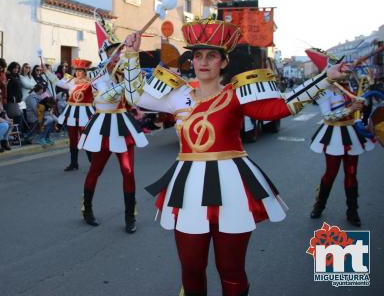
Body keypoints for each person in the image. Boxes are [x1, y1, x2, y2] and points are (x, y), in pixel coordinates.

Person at [121, 19, 351, 296]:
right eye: (197, 56)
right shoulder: (177, 94)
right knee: (191, 267)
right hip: (188, 187)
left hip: (232, 187)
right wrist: (131, 55)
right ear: (191, 61)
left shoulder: (237, 94)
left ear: (224, 62)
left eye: (212, 56)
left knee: (230, 269)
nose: (203, 62)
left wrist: (325, 78)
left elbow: (280, 106)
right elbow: (135, 97)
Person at [77, 19, 148, 234]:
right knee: (95, 170)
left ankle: (130, 216)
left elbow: (135, 95)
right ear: (105, 54)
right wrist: (122, 85)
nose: (116, 55)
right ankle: (86, 208)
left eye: (119, 51)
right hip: (102, 124)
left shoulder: (124, 71)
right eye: (112, 51)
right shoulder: (96, 73)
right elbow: (102, 99)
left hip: (122, 123)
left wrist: (131, 69)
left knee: (128, 171)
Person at [308, 77, 375, 227]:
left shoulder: (352, 85)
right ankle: (319, 205)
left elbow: (364, 108)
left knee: (351, 173)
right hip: (334, 135)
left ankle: (352, 211)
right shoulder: (323, 91)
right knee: (330, 173)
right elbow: (327, 116)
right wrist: (350, 109)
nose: (345, 72)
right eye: (341, 69)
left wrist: (362, 106)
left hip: (352, 132)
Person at [56, 59, 95, 171]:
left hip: (85, 114)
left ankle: (93, 163)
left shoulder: (91, 82)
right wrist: (45, 69)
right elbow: (57, 81)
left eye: (80, 70)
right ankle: (74, 163)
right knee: (73, 139)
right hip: (72, 113)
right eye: (76, 70)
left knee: (85, 138)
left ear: (85, 72)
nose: (78, 72)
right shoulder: (71, 80)